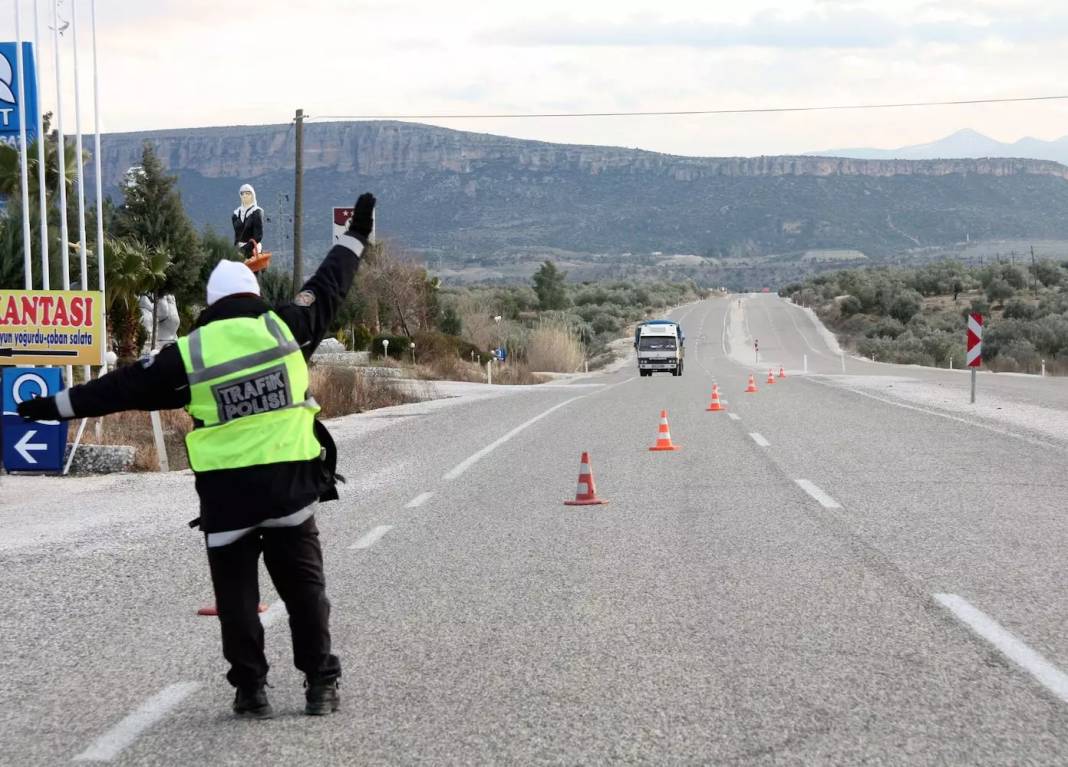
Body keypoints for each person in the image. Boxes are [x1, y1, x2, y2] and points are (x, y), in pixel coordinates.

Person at [18, 193, 378, 720]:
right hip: (289, 490)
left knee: (235, 601)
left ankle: (250, 690)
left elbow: (118, 389)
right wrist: (357, 235)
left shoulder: (187, 355)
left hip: (226, 498)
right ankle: (320, 684)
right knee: (304, 592)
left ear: (210, 305)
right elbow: (331, 282)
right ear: (254, 294)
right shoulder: (286, 329)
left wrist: (52, 406)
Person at [233, 183, 265, 257]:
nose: (245, 196)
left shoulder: (257, 212)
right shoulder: (236, 214)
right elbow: (237, 235)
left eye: (248, 193)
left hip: (253, 250)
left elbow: (258, 236)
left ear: (252, 195)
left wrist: (245, 249)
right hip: (239, 251)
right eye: (242, 193)